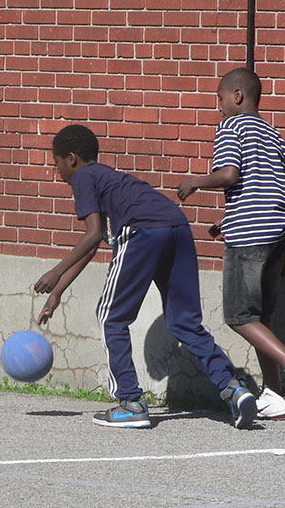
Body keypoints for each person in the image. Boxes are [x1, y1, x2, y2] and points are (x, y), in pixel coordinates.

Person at [35, 123, 256, 429]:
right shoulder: (111, 178)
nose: (57, 171)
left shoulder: (83, 176)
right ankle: (233, 389)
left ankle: (131, 403)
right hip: (177, 227)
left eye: (57, 163)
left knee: (110, 317)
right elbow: (92, 246)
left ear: (71, 158)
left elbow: (92, 234)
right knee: (184, 321)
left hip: (143, 231)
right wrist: (58, 292)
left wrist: (54, 271)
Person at [177, 67, 285, 420]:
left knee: (239, 317)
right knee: (263, 317)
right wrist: (228, 220)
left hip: (249, 237)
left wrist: (195, 181)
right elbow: (269, 186)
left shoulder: (231, 126)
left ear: (237, 96)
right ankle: (275, 395)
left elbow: (230, 174)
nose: (219, 105)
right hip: (277, 234)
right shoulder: (273, 133)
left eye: (220, 98)